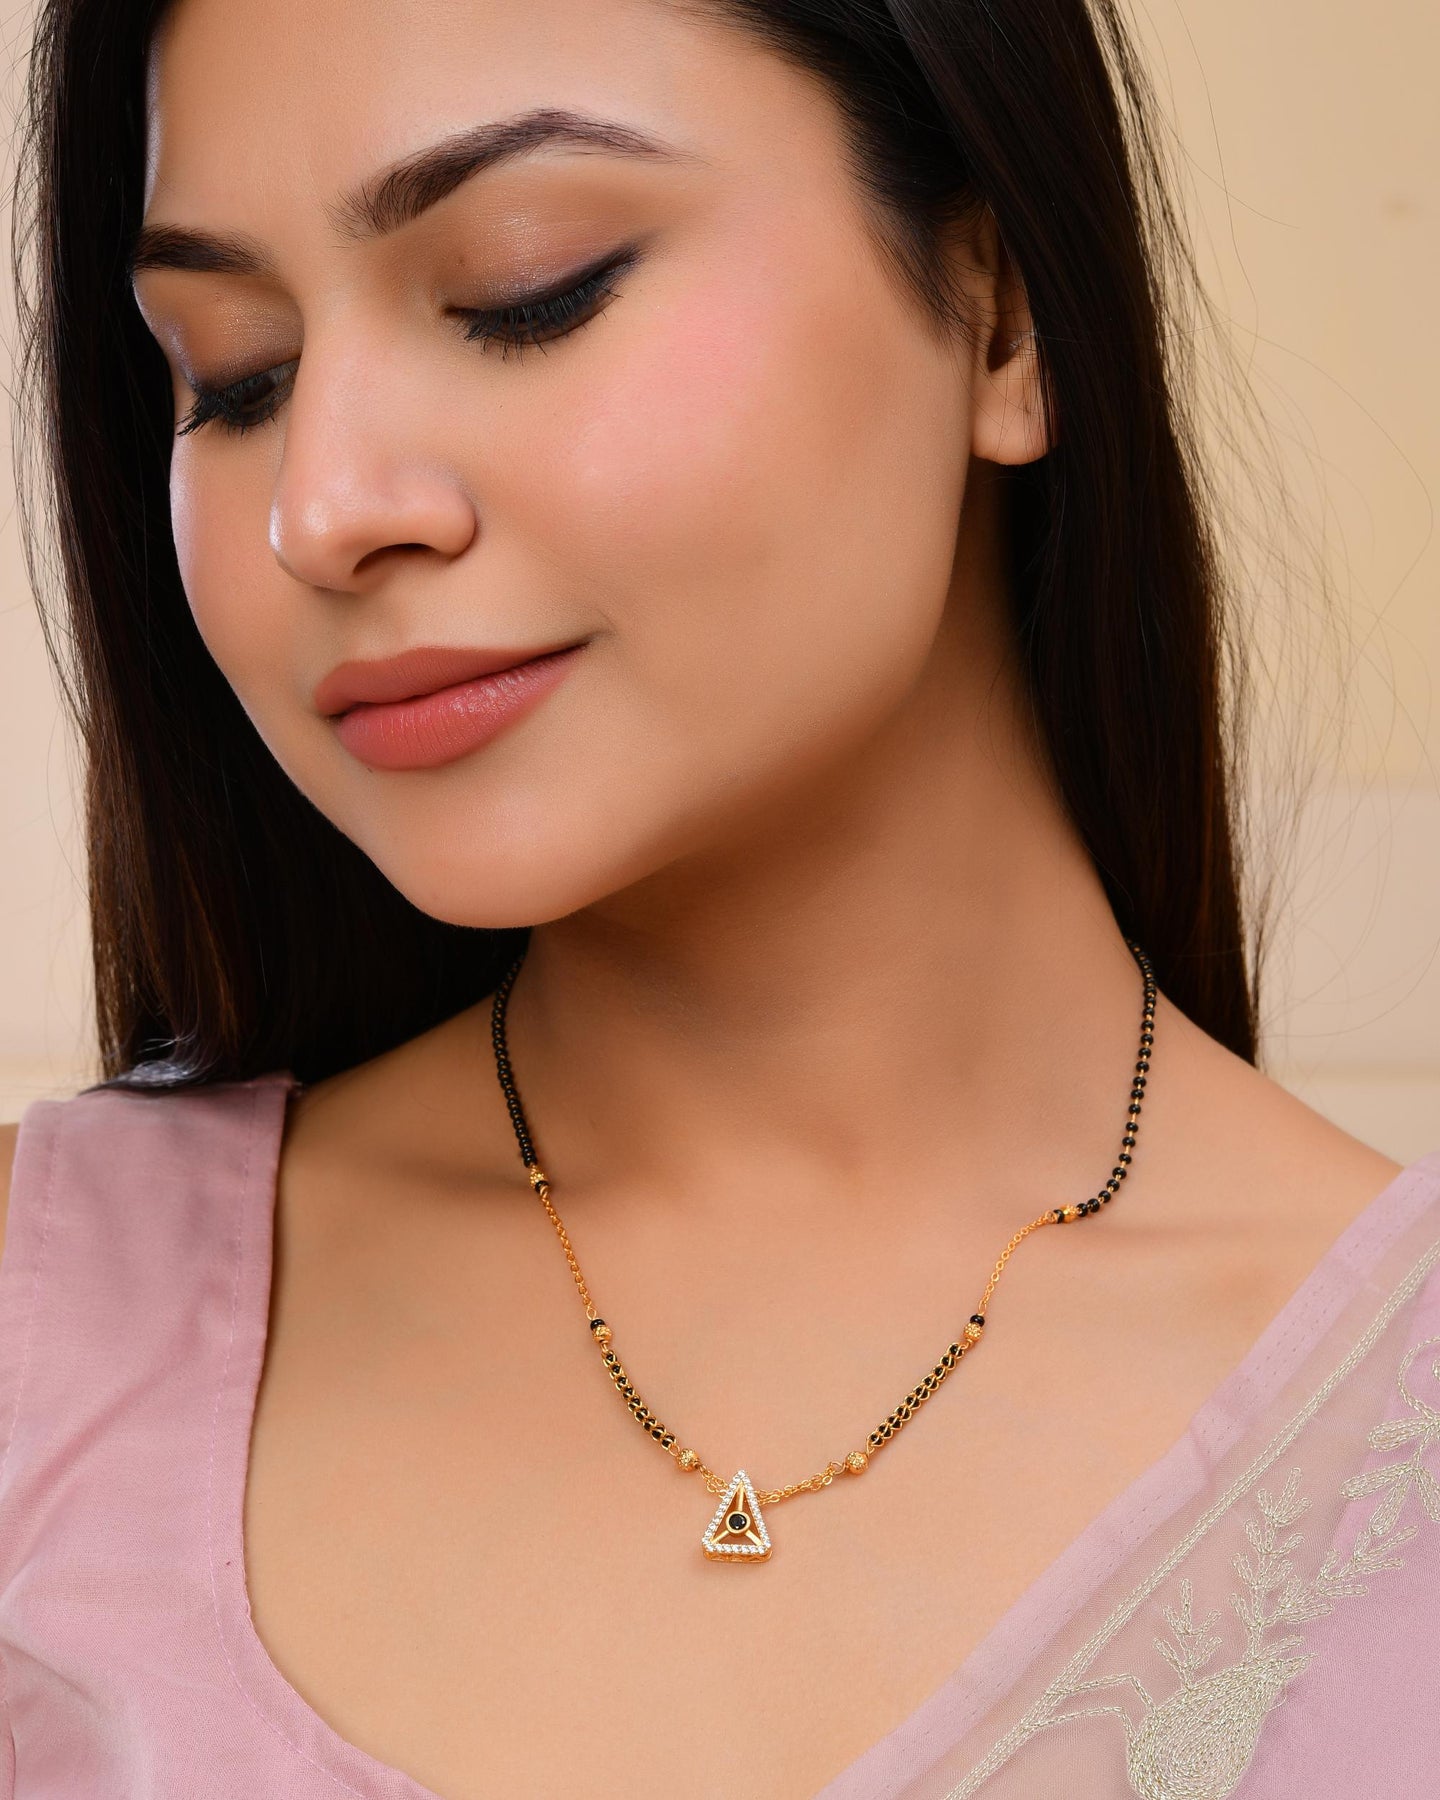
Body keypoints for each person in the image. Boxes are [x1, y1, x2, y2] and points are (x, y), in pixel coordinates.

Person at [0, 0, 1435, 1794]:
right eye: (234, 375)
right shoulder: (46, 1340)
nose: (324, 506)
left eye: (528, 291)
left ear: (1003, 314)